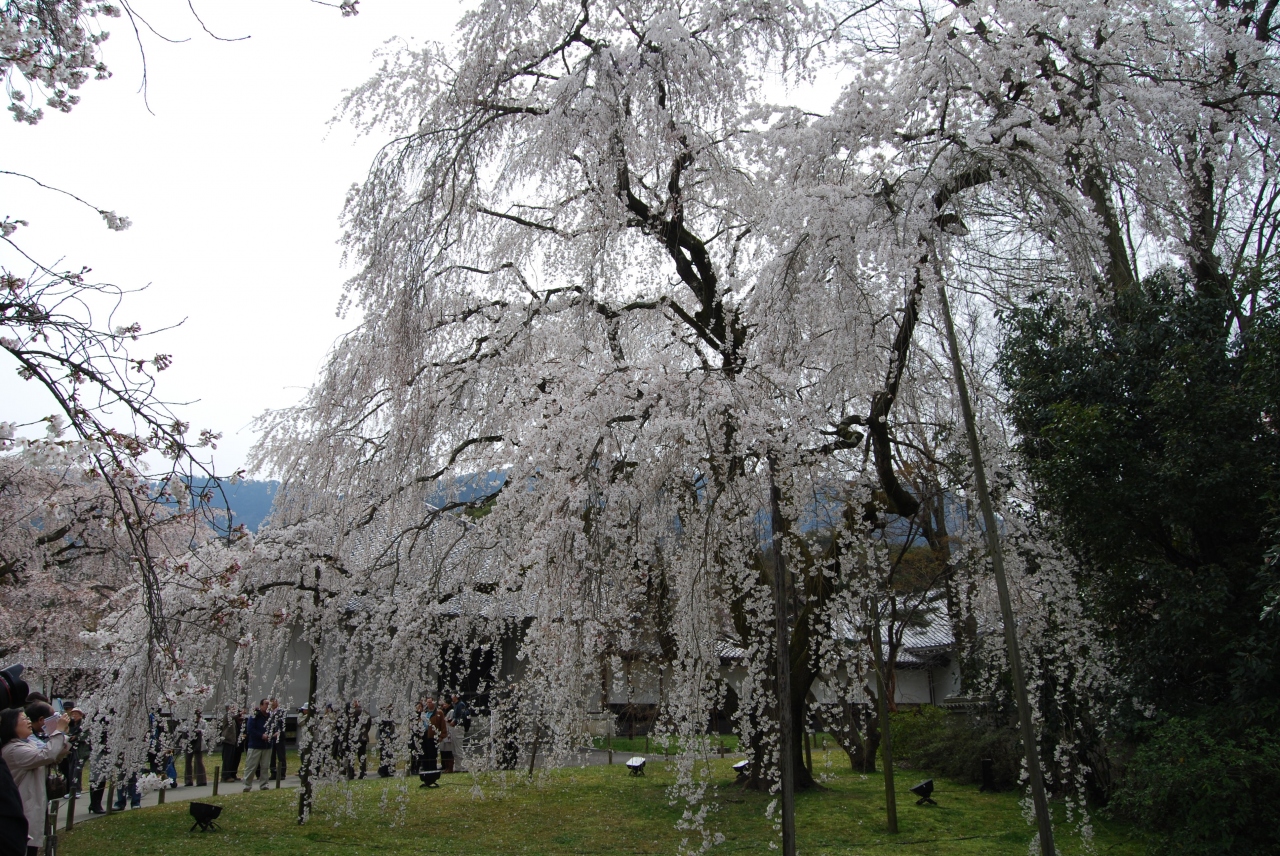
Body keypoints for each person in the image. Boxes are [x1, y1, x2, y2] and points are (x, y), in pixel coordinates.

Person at [1, 706, 69, 856]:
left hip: (32, 806)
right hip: (24, 809)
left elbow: (52, 757)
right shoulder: (14, 750)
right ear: (11, 724)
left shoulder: (27, 744)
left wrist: (61, 735)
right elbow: (47, 755)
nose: (28, 721)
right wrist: (58, 732)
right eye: (24, 718)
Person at [241, 699, 271, 792]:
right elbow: (250, 729)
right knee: (251, 766)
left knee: (265, 766)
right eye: (266, 704)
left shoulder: (271, 716)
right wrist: (261, 736)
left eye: (269, 704)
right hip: (255, 745)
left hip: (267, 745)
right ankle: (247, 785)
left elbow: (275, 727)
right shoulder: (255, 715)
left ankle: (264, 784)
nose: (268, 706)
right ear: (261, 705)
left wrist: (272, 735)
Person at [182, 709, 207, 787]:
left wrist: (200, 731)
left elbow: (206, 731)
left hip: (198, 742)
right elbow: (183, 728)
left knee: (199, 761)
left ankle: (201, 780)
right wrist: (190, 729)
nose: (197, 719)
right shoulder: (189, 721)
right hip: (189, 742)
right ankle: (188, 780)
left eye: (198, 717)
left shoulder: (203, 722)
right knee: (188, 761)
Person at [447, 694, 471, 773]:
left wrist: (455, 721)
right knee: (454, 749)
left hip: (459, 727)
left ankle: (462, 766)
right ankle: (457, 766)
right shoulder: (456, 705)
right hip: (455, 728)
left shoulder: (461, 704)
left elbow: (462, 716)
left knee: (458, 748)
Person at [266, 699, 287, 782]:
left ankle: (282, 773)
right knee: (272, 756)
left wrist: (279, 732)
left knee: (281, 755)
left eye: (274, 703)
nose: (273, 704)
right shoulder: (268, 712)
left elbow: (283, 724)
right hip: (271, 736)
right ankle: (273, 772)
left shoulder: (281, 712)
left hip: (279, 737)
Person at [219, 705, 239, 782]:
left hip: (232, 741)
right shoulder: (227, 716)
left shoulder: (232, 719)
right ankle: (225, 776)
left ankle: (230, 774)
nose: (234, 709)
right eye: (232, 707)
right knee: (227, 759)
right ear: (228, 708)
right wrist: (240, 714)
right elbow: (234, 717)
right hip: (227, 740)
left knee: (231, 759)